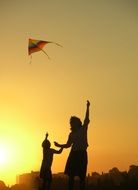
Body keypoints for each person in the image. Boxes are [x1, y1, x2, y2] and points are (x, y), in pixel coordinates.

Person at [54, 100, 90, 190]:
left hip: (82, 154)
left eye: (72, 121)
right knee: (71, 176)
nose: (71, 123)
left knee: (82, 176)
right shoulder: (71, 134)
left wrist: (88, 107)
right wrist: (59, 145)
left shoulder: (83, 129)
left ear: (77, 122)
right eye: (71, 122)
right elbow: (68, 145)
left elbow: (86, 119)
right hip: (73, 154)